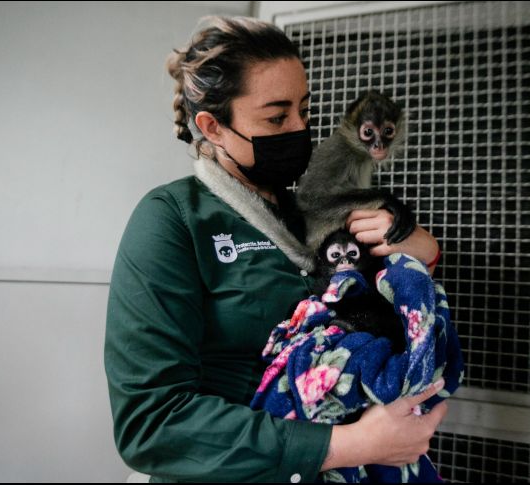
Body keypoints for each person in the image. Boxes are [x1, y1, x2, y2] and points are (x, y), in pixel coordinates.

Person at [104, 16, 449, 483]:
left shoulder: (309, 209)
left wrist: (421, 247)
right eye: (276, 116)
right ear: (214, 126)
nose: (299, 128)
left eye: (304, 110)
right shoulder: (172, 219)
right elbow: (151, 423)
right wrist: (348, 445)